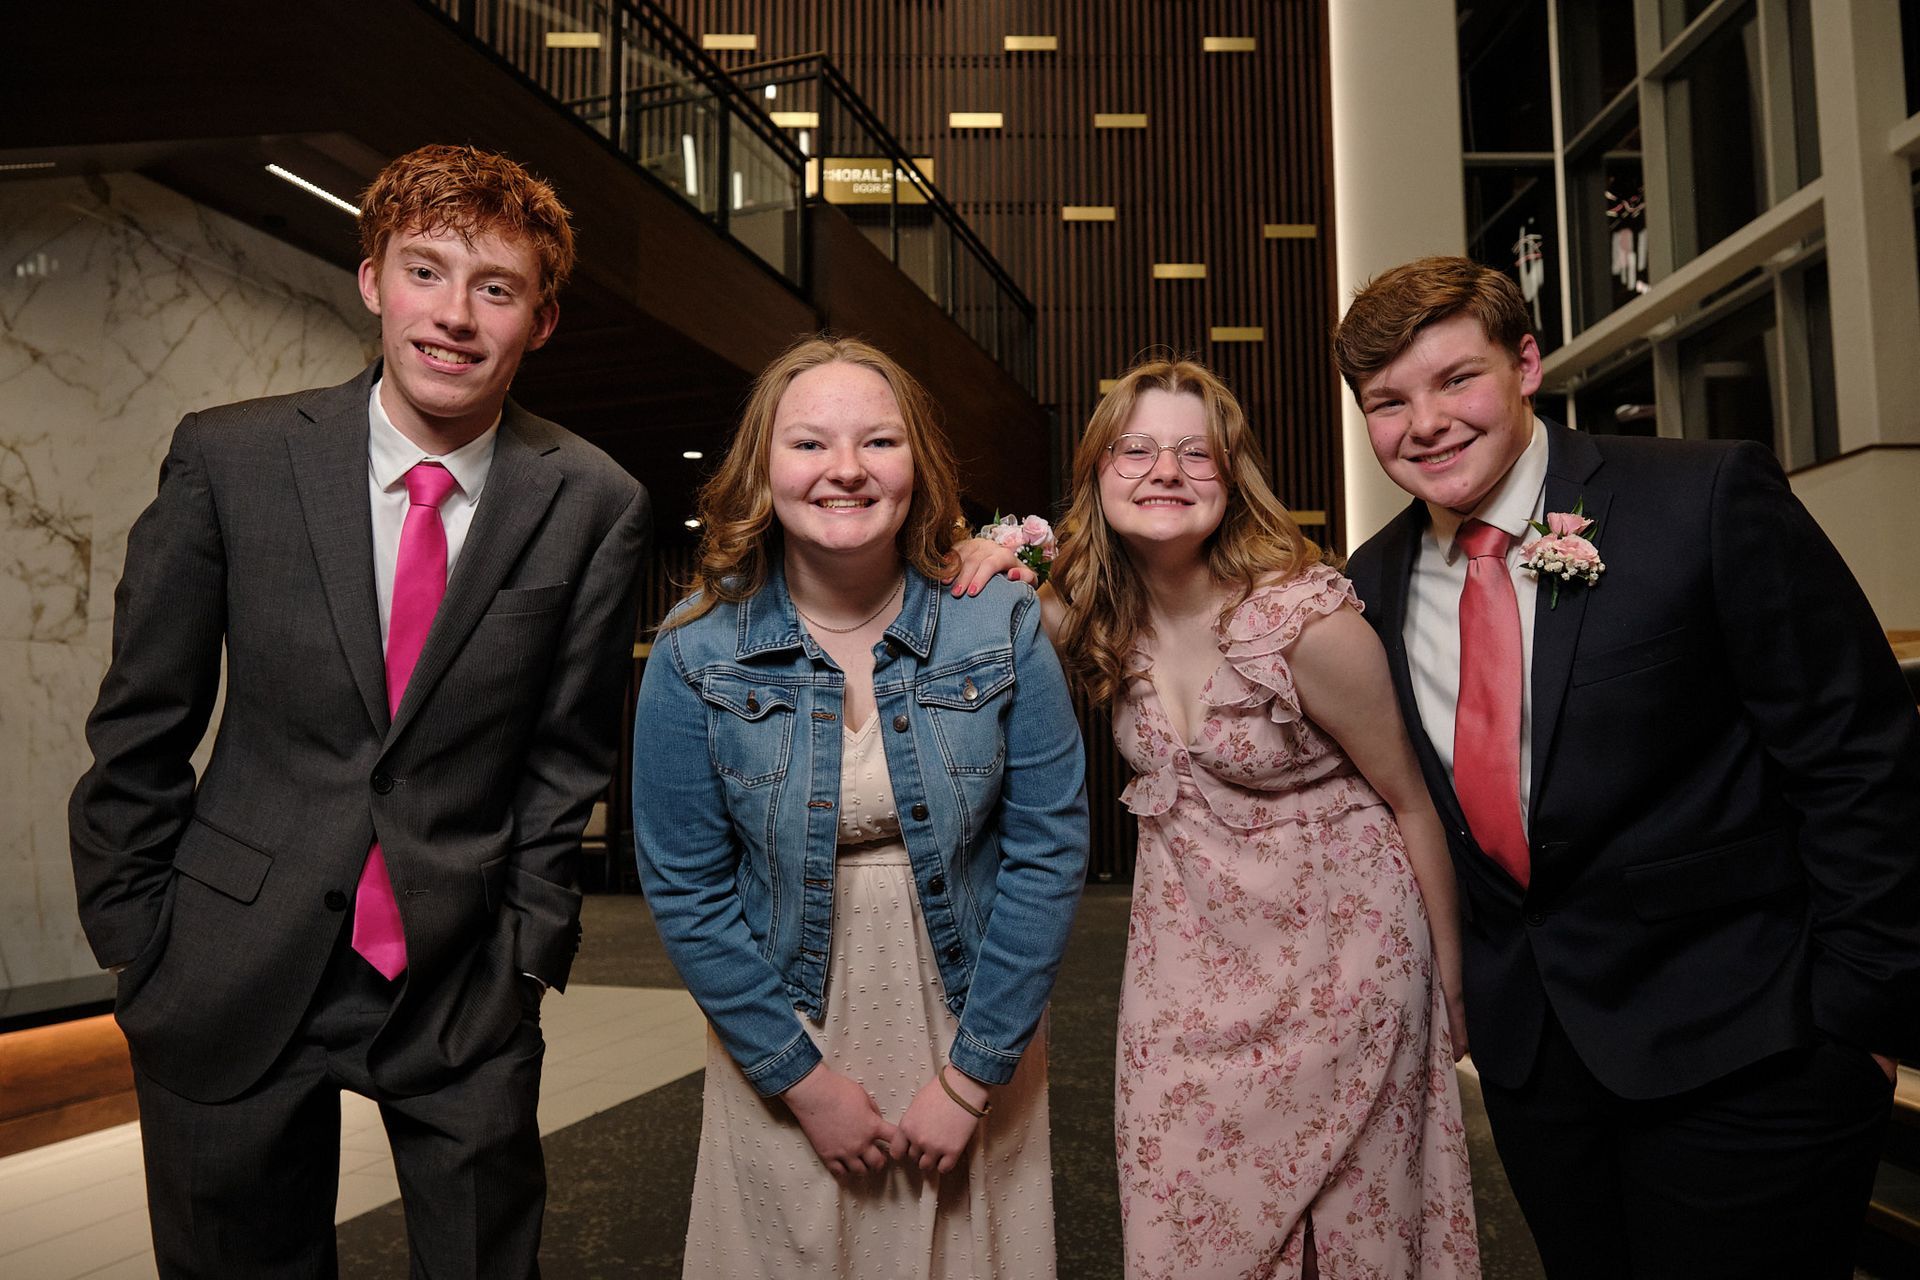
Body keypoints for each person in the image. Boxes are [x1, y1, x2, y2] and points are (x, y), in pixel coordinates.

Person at [69, 144, 650, 1277]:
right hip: (226, 960)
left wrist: (526, 954)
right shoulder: (230, 458)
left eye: (497, 287)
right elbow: (141, 722)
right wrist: (140, 942)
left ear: (541, 321)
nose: (454, 315)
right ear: (371, 279)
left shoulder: (594, 501)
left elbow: (565, 756)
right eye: (425, 271)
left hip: (459, 978)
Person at [1336, 255, 1920, 1279]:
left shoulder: (1698, 496)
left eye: (1454, 380)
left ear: (1527, 364)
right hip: (1539, 1075)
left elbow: (1859, 754)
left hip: (1752, 1050)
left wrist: (1863, 1022)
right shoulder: (1368, 588)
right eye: (1388, 401)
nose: (1424, 423)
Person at [961, 357, 1479, 1276]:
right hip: (1186, 968)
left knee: (1347, 1232)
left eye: (1196, 455)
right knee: (1180, 1210)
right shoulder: (1085, 612)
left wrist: (1455, 991)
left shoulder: (1305, 622)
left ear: (1233, 479)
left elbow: (1409, 800)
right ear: (1096, 473)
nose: (1166, 471)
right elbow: (956, 615)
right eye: (1138, 449)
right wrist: (984, 558)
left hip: (1346, 958)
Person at [632, 335, 1089, 1279]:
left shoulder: (997, 622)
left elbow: (1049, 853)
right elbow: (684, 887)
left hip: (972, 1014)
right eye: (809, 445)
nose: (845, 470)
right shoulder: (692, 653)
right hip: (787, 1025)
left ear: (917, 464)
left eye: (877, 442)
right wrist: (801, 1084)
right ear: (764, 467)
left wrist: (971, 1080)